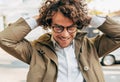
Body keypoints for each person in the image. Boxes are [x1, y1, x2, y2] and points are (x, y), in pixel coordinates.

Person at [0, 0, 120, 82]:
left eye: (71, 27)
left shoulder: (92, 47)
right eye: (58, 27)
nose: (65, 34)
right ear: (50, 25)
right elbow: (5, 39)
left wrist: (85, 18)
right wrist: (42, 18)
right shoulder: (35, 50)